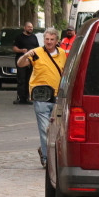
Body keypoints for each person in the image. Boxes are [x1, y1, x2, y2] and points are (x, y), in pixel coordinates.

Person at [17, 26, 66, 167]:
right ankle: (46, 159)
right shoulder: (36, 53)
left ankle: (45, 150)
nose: (49, 42)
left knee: (57, 131)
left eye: (52, 39)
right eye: (46, 39)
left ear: (56, 41)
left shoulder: (62, 53)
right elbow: (20, 64)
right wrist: (25, 55)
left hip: (57, 97)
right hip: (41, 98)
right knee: (45, 129)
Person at [13, 21, 39, 105]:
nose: (30, 28)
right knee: (21, 79)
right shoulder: (19, 37)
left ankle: (27, 98)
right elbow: (14, 48)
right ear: (25, 27)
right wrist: (21, 50)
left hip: (31, 61)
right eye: (29, 27)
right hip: (21, 61)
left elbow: (37, 48)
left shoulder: (34, 37)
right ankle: (20, 98)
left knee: (29, 79)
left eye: (31, 27)